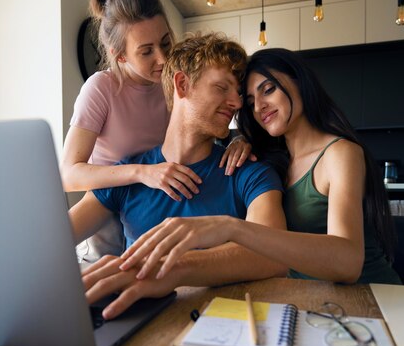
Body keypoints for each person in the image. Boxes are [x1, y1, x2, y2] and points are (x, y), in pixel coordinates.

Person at [119, 48, 402, 285]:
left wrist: (233, 229)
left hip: (372, 299)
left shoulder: (340, 153)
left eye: (268, 90)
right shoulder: (270, 159)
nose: (258, 107)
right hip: (312, 302)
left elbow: (348, 262)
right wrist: (243, 140)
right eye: (251, 101)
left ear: (300, 82)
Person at [70, 33, 287, 320]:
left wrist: (169, 268)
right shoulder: (129, 174)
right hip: (135, 326)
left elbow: (275, 254)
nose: (236, 102)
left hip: (220, 330)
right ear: (182, 85)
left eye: (238, 93)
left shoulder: (248, 172)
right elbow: (54, 238)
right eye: (222, 87)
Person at [61, 0, 252, 263]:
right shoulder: (101, 88)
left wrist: (239, 141)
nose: (163, 59)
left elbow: (198, 129)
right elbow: (69, 175)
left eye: (165, 42)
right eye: (146, 51)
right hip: (107, 219)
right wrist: (142, 173)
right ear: (120, 55)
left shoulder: (173, 82)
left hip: (156, 205)